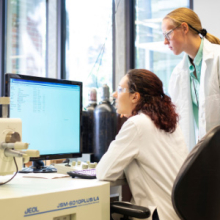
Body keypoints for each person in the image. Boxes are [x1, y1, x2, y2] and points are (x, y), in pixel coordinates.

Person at [96, 69, 188, 220]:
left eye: (120, 89)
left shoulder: (137, 124)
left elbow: (104, 172)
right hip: (179, 214)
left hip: (159, 215)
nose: (114, 95)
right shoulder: (170, 125)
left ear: (135, 97)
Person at [162, 7, 220, 150]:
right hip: (203, 153)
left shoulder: (217, 58)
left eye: (167, 34)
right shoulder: (178, 74)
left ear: (184, 28)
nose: (165, 42)